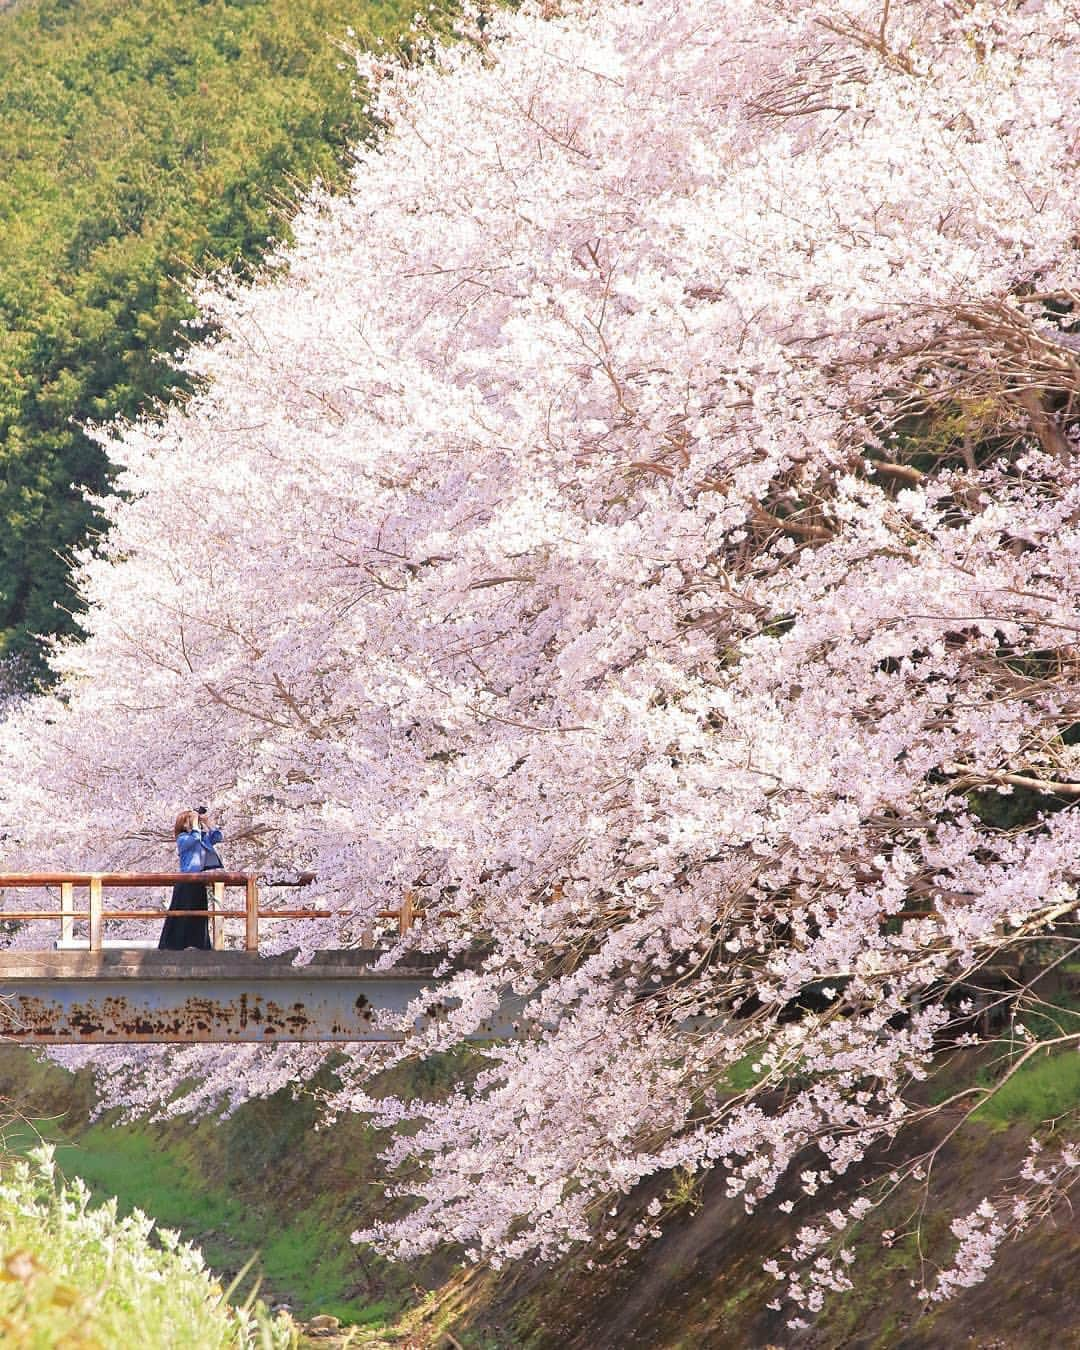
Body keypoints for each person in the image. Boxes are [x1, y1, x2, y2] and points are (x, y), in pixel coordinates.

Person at [158, 808, 225, 951]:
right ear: (183, 824)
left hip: (199, 881)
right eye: (190, 820)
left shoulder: (201, 838)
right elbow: (194, 838)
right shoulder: (182, 839)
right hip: (186, 881)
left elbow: (218, 837)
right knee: (182, 915)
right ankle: (173, 945)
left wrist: (207, 822)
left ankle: (199, 944)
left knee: (199, 915)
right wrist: (194, 823)